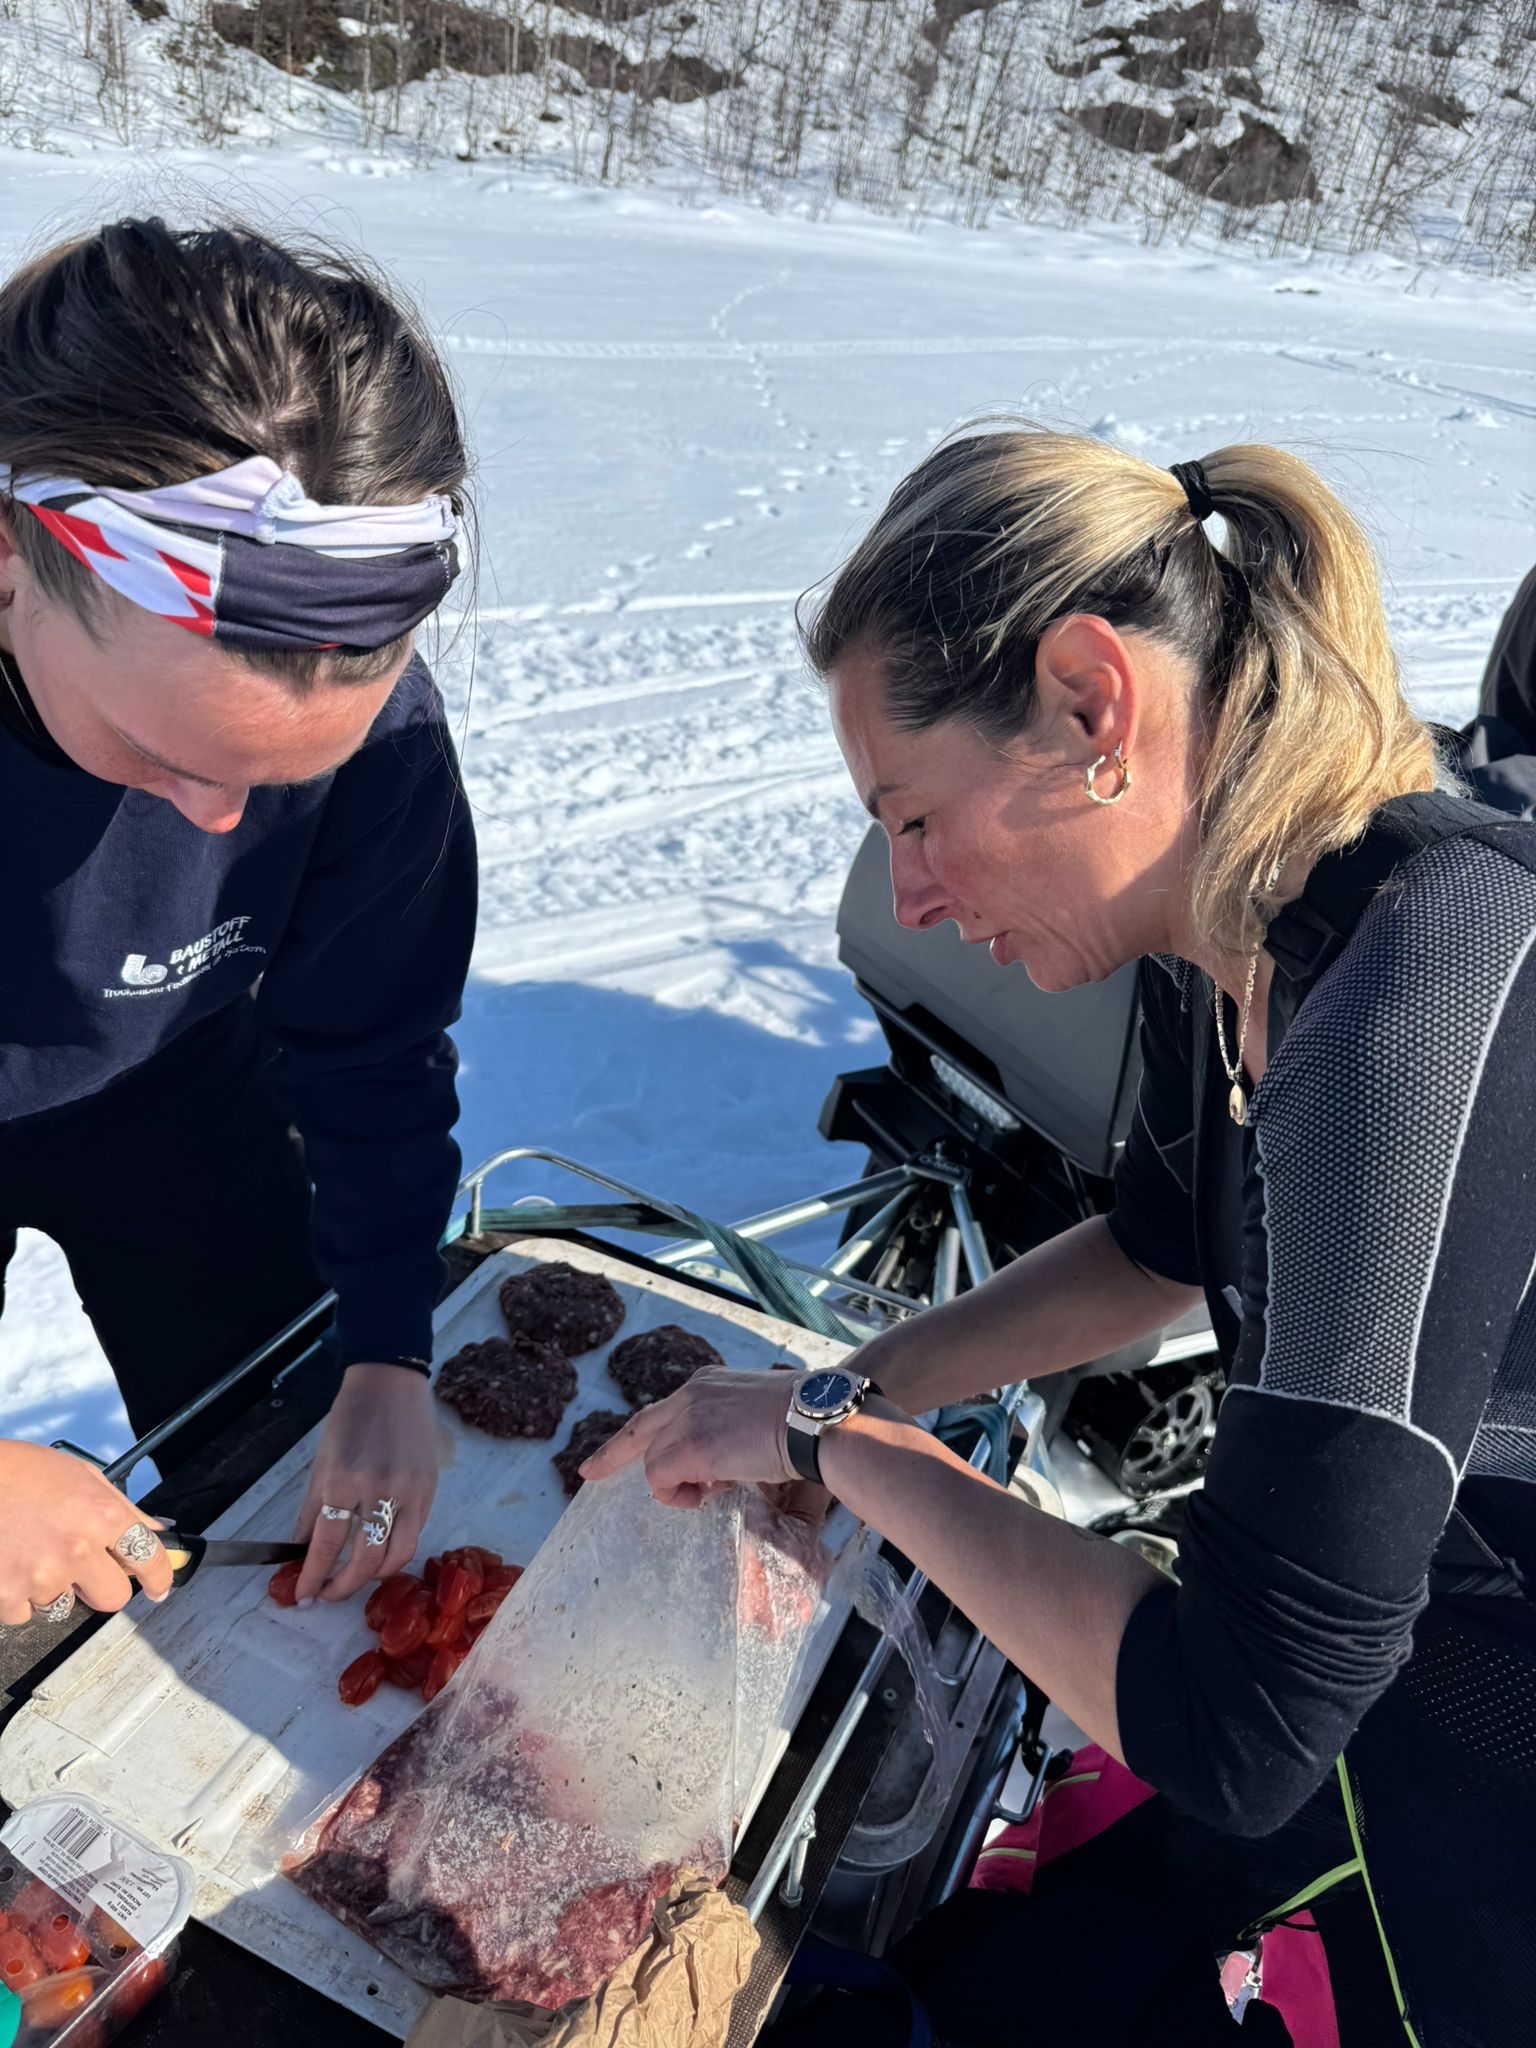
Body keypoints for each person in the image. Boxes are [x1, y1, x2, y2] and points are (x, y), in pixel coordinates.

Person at [584, 429, 1536, 2046]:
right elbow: (1160, 1245)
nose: (914, 893)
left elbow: (1241, 1725)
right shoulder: (1226, 911)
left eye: (914, 818)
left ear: (1095, 705)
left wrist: (835, 1444)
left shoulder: (1418, 997)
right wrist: (856, 1381)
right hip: (1395, 1622)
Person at [0, 220, 476, 1625]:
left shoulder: (383, 741)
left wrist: (387, 1344)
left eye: (279, 783)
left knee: (267, 1454)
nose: (215, 827)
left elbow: (373, 1045)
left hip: (175, 1096)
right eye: (162, 752)